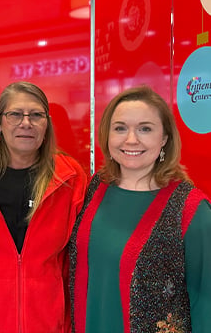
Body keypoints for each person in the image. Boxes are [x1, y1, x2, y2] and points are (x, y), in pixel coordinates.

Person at [69, 85, 211, 333]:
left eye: (145, 129)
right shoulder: (96, 188)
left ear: (164, 138)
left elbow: (206, 302)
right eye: (120, 128)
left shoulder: (191, 210)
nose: (131, 139)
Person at [0, 81, 88, 333]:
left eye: (36, 115)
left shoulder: (70, 178)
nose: (26, 123)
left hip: (49, 321)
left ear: (46, 125)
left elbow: (79, 256)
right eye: (15, 114)